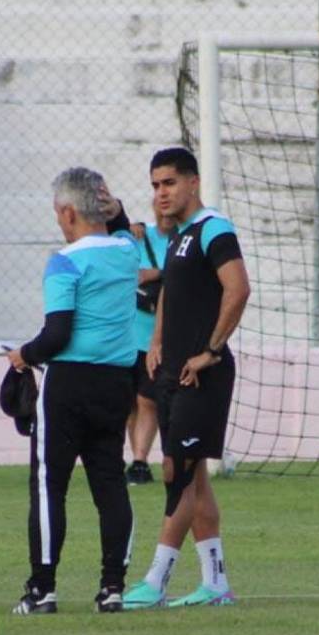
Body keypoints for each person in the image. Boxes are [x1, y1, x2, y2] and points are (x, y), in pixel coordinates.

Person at [6, 167, 139, 615]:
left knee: (49, 486)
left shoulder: (64, 261)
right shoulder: (126, 251)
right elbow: (122, 229)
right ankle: (113, 587)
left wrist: (23, 355)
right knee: (110, 483)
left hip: (69, 384)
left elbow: (57, 334)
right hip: (117, 383)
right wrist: (117, 210)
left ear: (67, 211)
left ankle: (42, 589)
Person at [124, 147, 250, 610]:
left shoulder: (214, 229)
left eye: (169, 183)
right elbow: (169, 298)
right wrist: (156, 341)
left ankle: (155, 582)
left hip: (203, 376)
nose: (161, 193)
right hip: (173, 372)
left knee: (179, 474)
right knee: (189, 476)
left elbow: (239, 289)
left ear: (193, 183)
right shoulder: (179, 238)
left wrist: (210, 352)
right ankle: (215, 583)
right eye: (156, 185)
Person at [125, 204, 176, 485]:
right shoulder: (138, 236)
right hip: (128, 333)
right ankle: (137, 460)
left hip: (157, 336)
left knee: (148, 399)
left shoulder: (185, 239)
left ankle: (141, 460)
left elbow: (186, 274)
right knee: (129, 402)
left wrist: (156, 273)